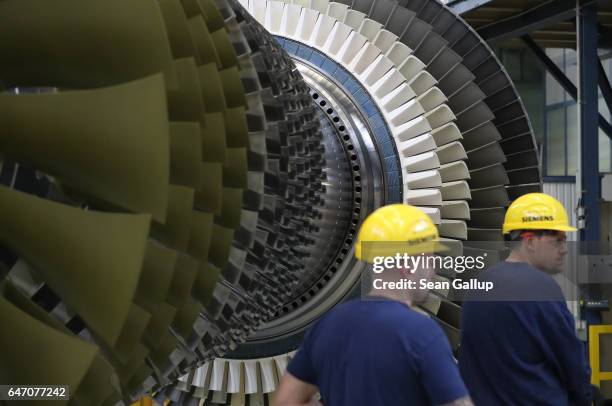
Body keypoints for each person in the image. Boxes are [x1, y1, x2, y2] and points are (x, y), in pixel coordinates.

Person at [274, 204, 473, 406]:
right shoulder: (422, 333)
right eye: (428, 260)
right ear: (408, 267)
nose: (432, 272)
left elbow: (285, 401)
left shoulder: (327, 325)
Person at [459, 193, 592, 406]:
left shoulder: (478, 285)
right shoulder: (542, 289)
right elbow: (573, 367)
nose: (564, 249)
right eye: (557, 240)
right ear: (530, 241)